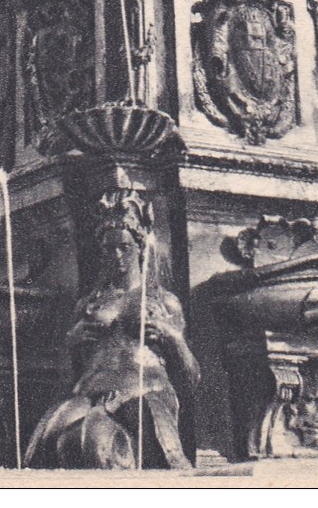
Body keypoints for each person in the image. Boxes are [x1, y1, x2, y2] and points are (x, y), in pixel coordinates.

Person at [24, 190, 200, 469]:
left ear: (140, 247)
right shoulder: (88, 304)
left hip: (141, 393)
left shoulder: (163, 301)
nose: (117, 256)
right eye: (109, 248)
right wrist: (70, 343)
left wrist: (173, 337)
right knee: (46, 440)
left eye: (124, 247)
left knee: (95, 440)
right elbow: (65, 379)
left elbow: (190, 378)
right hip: (87, 395)